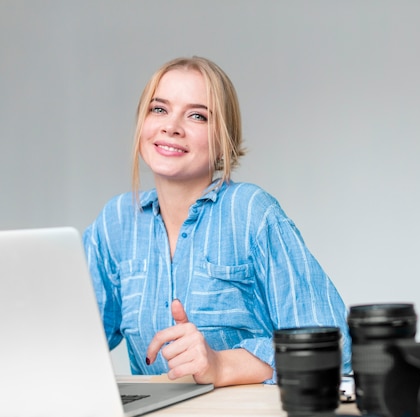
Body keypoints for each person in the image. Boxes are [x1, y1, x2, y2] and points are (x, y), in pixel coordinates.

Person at [83, 56, 351, 387]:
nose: (171, 126)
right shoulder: (116, 222)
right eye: (159, 109)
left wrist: (221, 365)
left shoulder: (251, 212)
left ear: (223, 139)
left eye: (197, 115)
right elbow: (70, 343)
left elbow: (335, 348)